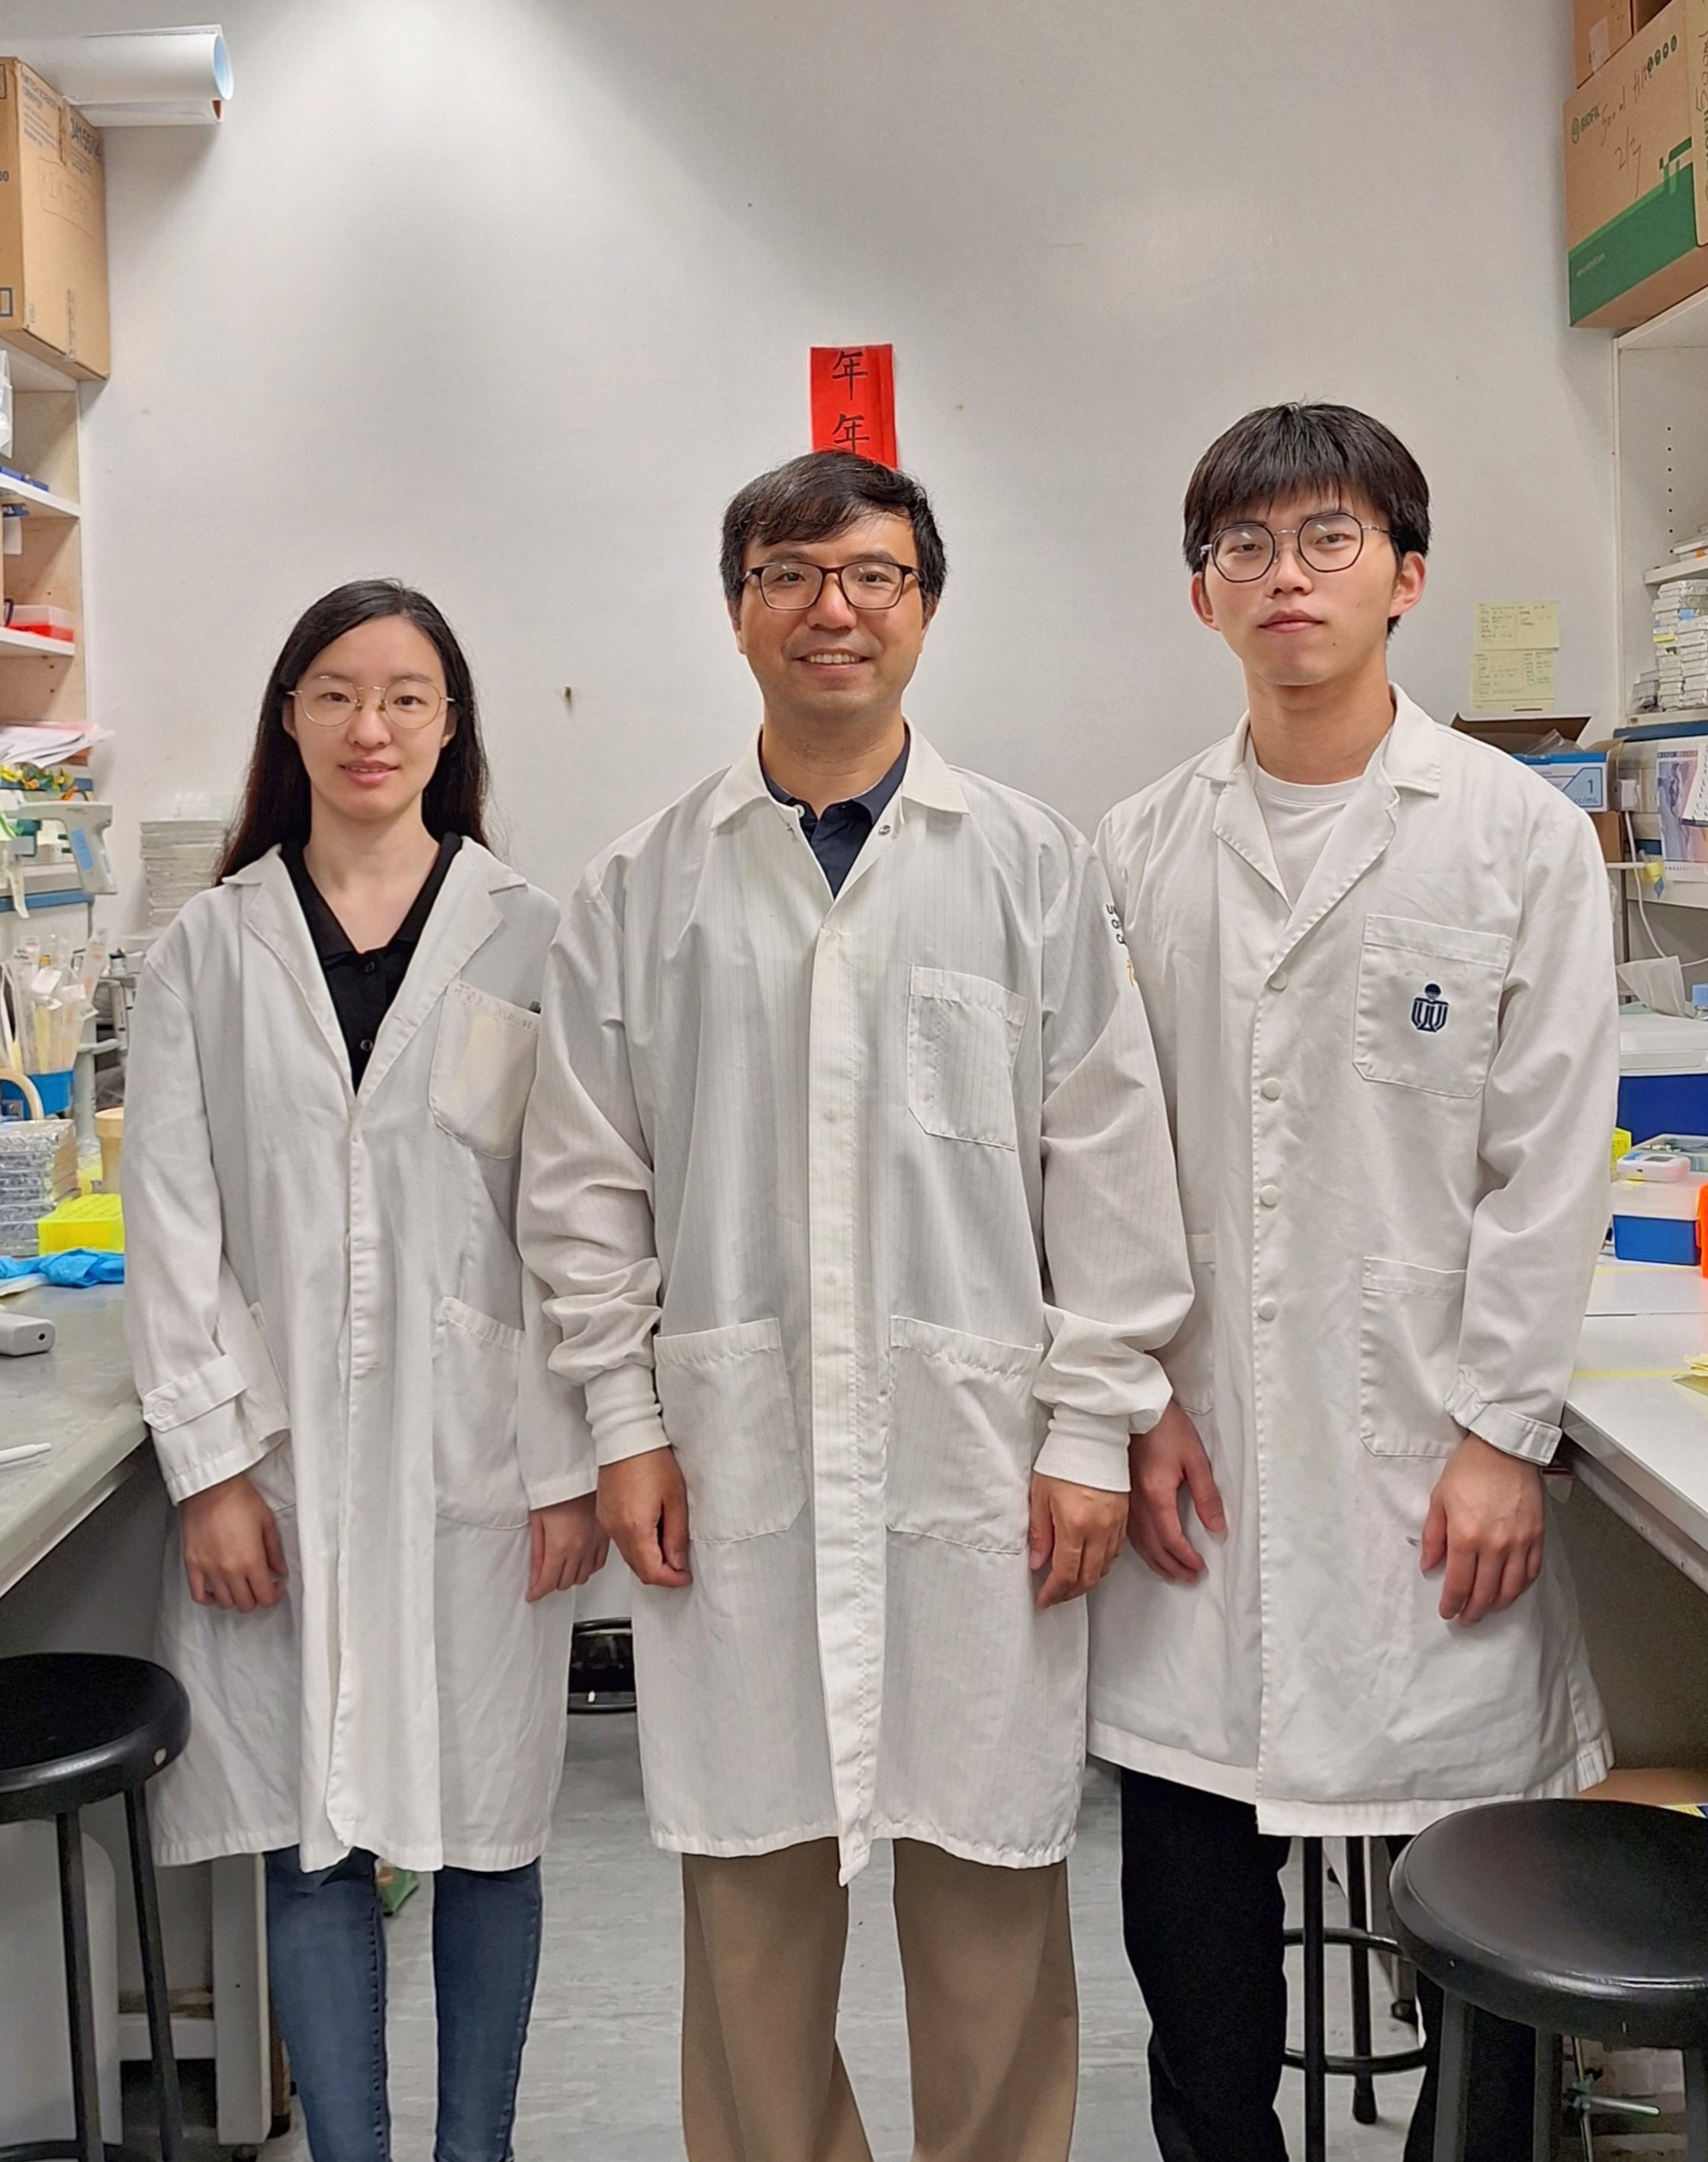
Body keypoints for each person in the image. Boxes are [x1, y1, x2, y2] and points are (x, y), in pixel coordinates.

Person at [519, 449, 1192, 2162]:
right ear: (735, 607)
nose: (833, 607)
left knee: (987, 1893)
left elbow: (1104, 1163)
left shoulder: (1030, 863)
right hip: (733, 1455)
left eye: (871, 575)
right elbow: (587, 1181)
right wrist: (621, 1420)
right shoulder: (640, 886)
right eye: (790, 573)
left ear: (925, 605)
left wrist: (1092, 1428)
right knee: (748, 1899)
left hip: (978, 1459)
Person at [1091, 403, 1618, 2161]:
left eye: (1327, 540)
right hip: (1205, 1469)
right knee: (1196, 1947)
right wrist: (1135, 1396)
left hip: (1424, 1464)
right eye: (1245, 546)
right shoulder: (1134, 855)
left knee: (1466, 1923)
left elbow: (1548, 1163)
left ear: (1405, 575)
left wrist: (1497, 1431)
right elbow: (1094, 1167)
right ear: (1201, 599)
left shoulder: (1512, 839)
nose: (1285, 576)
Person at [124, 580, 606, 2162]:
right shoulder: (210, 943)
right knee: (311, 1841)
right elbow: (170, 1220)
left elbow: (573, 1221)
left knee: (487, 1829)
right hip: (279, 1457)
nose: (370, 726)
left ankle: (474, 2150)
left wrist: (567, 1464)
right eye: (335, 693)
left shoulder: (532, 935)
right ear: (289, 720)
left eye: (405, 695)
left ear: (451, 723)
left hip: (482, 1453)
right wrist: (207, 1470)